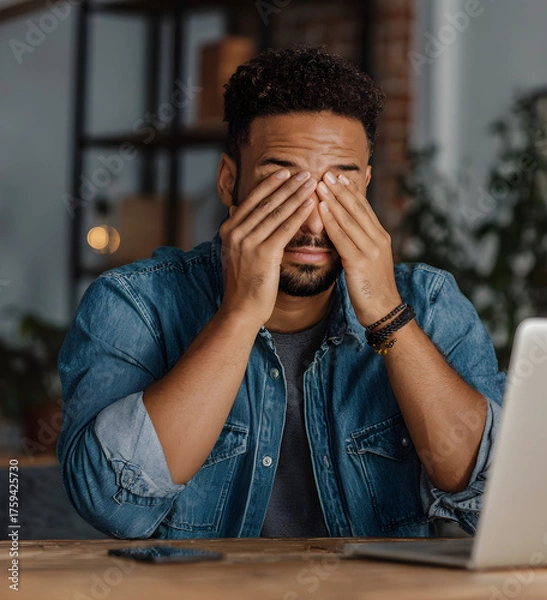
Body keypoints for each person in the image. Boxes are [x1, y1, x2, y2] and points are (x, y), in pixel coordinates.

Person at [57, 46, 505, 540]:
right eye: (283, 185)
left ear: (367, 186)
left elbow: (494, 501)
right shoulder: (133, 305)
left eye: (339, 188)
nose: (314, 221)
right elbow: (110, 505)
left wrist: (387, 314)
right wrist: (240, 314)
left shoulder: (432, 303)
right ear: (231, 181)